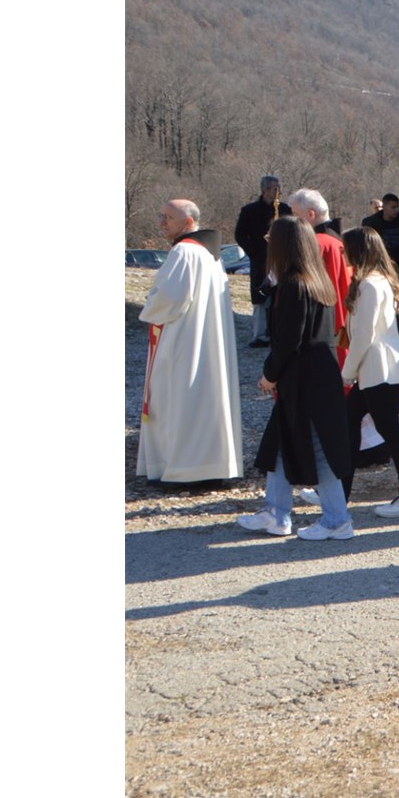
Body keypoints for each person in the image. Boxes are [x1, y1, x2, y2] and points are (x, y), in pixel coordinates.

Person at [239, 218, 356, 539]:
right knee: (280, 440)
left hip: (304, 377)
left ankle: (337, 519)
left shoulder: (294, 285)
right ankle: (276, 512)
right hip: (318, 371)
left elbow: (288, 340)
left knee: (318, 448)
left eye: (270, 237)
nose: (265, 240)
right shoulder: (316, 282)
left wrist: (269, 374)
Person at [138, 199, 245, 486]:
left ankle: (184, 470)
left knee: (179, 399)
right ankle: (209, 467)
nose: (162, 222)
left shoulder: (184, 252)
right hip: (206, 340)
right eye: (161, 216)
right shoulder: (213, 256)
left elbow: (169, 298)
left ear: (187, 222)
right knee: (205, 401)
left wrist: (149, 303)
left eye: (168, 217)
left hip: (183, 339)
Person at [340, 228, 399, 518]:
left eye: (346, 248)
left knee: (390, 432)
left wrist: (347, 372)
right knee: (352, 426)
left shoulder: (370, 285)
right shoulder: (374, 282)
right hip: (376, 369)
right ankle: (339, 494)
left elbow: (364, 335)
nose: (343, 252)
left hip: (378, 369)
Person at [287, 189, 352, 365]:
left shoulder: (315, 244)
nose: (293, 221)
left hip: (322, 325)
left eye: (295, 215)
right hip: (346, 321)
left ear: (310, 214)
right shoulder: (343, 241)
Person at [360, 193, 399, 352]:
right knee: (390, 307)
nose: (396, 210)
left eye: (397, 207)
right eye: (392, 207)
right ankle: (396, 341)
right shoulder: (371, 223)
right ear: (385, 207)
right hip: (383, 270)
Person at [234, 175, 291, 347]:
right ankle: (259, 334)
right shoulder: (249, 210)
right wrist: (255, 252)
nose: (277, 192)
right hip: (261, 259)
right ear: (264, 190)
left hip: (282, 260)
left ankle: (278, 333)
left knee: (281, 296)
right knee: (260, 296)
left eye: (279, 188)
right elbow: (240, 235)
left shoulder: (285, 209)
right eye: (273, 188)